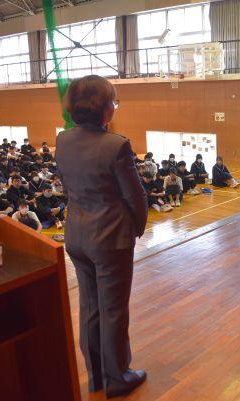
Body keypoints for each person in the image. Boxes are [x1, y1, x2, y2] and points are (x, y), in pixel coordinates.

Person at [55, 75, 148, 398]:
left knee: (90, 306)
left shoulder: (62, 140)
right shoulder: (116, 145)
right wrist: (136, 227)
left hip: (76, 235)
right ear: (103, 108)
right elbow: (136, 197)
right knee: (113, 310)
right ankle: (118, 377)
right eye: (114, 102)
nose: (115, 107)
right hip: (110, 239)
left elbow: (69, 187)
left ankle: (96, 376)